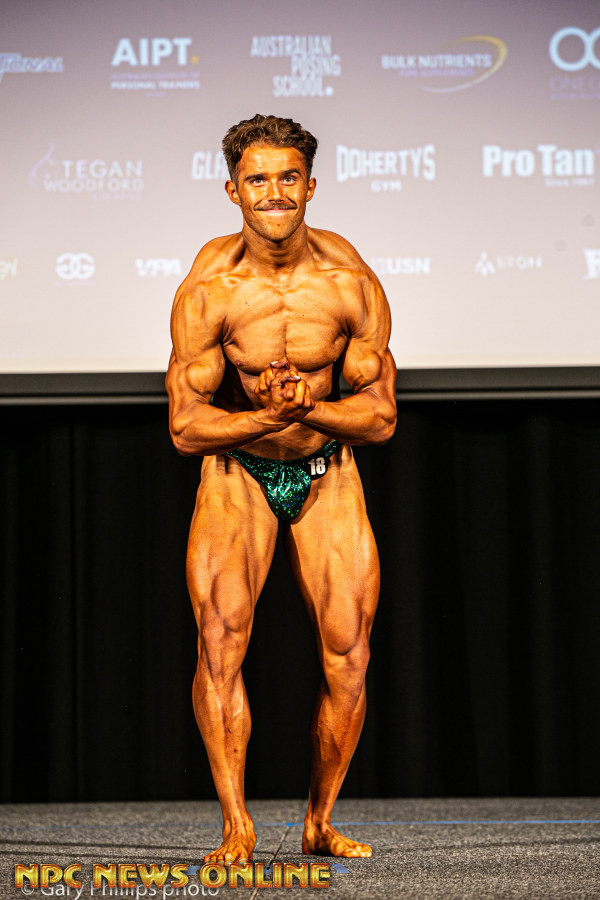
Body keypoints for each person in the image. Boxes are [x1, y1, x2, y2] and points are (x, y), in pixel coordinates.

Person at [166, 114, 397, 864]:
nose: (275, 192)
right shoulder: (210, 289)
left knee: (349, 653)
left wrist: (309, 411)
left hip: (327, 468)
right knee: (220, 643)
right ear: (232, 189)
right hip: (239, 472)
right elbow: (186, 427)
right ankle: (236, 824)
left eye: (288, 177)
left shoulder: (350, 283)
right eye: (258, 179)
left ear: (311, 185)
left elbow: (381, 416)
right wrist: (264, 417)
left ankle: (319, 822)